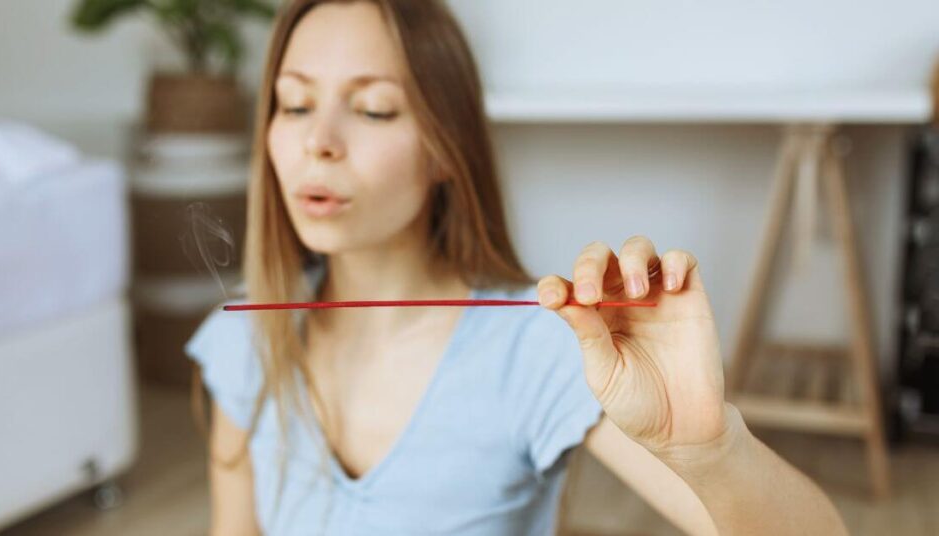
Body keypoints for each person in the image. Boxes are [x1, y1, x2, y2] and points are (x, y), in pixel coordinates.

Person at [185, 0, 847, 534]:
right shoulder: (245, 335)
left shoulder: (540, 345)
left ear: (446, 147)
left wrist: (710, 451)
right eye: (294, 103)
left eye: (373, 109)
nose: (316, 142)